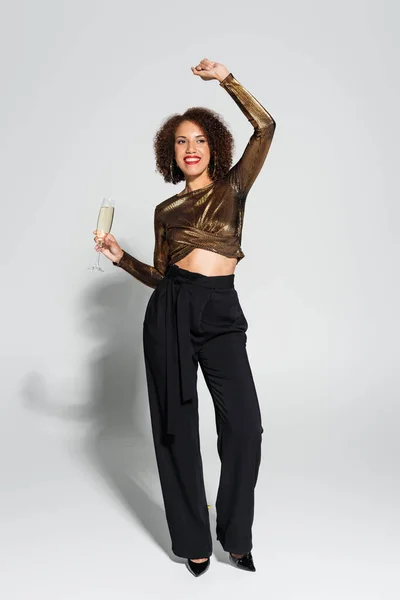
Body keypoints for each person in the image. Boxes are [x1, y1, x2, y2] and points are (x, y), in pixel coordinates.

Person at [93, 58, 276, 577]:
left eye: (197, 138)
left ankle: (235, 536)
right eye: (179, 141)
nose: (189, 147)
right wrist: (119, 257)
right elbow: (158, 274)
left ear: (213, 145)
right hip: (169, 310)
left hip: (220, 310)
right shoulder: (166, 212)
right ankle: (193, 540)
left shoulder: (234, 187)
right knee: (175, 428)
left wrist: (227, 81)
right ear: (170, 152)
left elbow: (266, 127)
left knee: (244, 428)